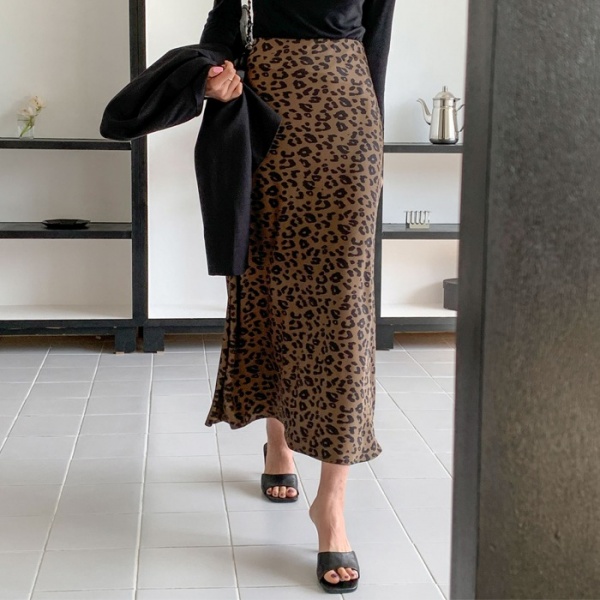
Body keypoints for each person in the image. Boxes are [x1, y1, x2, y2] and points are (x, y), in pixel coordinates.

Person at [200, 0, 396, 593]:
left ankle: (330, 506)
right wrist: (212, 74)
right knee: (271, 283)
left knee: (345, 306)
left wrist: (371, 128)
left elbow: (377, 40)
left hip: (349, 114)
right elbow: (222, 27)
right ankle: (278, 444)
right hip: (265, 116)